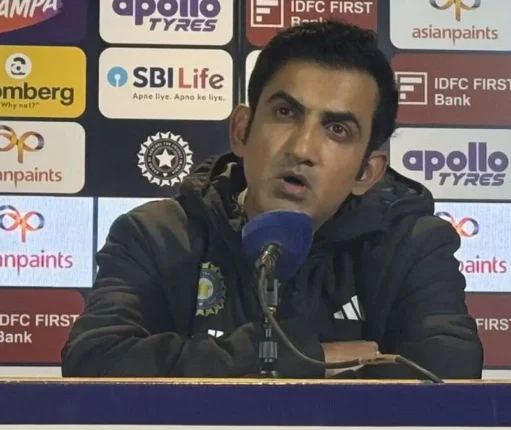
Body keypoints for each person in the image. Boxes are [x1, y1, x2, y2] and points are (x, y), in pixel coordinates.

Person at [61, 20, 483, 379]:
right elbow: (93, 362)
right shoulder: (158, 235)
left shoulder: (412, 245)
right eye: (285, 113)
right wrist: (297, 358)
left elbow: (449, 374)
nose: (302, 148)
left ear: (366, 172)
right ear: (242, 131)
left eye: (337, 130)